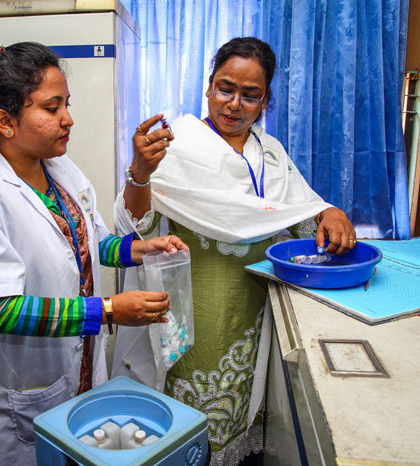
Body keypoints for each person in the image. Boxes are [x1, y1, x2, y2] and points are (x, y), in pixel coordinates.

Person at [0, 42, 187, 466]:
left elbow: (90, 244)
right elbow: (0, 310)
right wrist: (111, 310)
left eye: (67, 103)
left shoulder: (60, 171)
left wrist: (139, 249)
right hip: (14, 391)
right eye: (52, 107)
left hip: (77, 373)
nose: (69, 119)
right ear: (5, 121)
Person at [112, 37, 356, 465]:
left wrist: (329, 211)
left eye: (250, 95)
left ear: (265, 100)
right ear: (208, 87)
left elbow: (301, 211)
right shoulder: (177, 145)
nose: (234, 104)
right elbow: (135, 228)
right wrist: (140, 173)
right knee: (186, 421)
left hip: (253, 307)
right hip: (193, 307)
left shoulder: (272, 153)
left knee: (244, 401)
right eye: (226, 89)